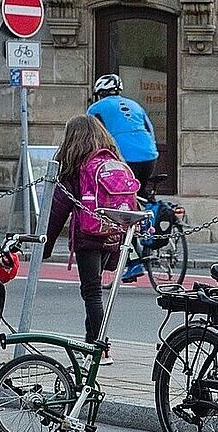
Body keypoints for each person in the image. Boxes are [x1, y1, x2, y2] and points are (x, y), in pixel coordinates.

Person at [43, 115, 129, 365]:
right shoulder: (111, 158)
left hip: (89, 235)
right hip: (112, 232)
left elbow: (58, 209)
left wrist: (44, 246)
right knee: (93, 290)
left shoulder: (75, 165)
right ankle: (91, 341)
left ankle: (100, 348)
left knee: (91, 292)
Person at [88, 74, 159, 186]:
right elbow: (150, 130)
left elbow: (90, 135)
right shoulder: (135, 105)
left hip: (124, 156)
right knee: (140, 191)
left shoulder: (95, 108)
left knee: (122, 193)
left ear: (100, 93)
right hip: (149, 154)